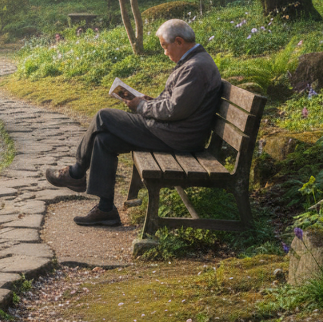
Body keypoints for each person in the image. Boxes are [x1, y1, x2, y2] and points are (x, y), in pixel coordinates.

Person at [45, 18, 222, 226]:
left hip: (176, 137)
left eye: (165, 47)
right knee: (104, 140)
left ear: (179, 42)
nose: (165, 52)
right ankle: (105, 209)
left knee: (104, 116)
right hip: (174, 132)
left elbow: (175, 110)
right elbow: (177, 103)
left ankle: (75, 173)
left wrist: (141, 106)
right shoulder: (193, 63)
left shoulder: (195, 67)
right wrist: (151, 101)